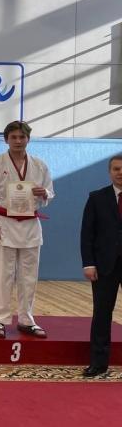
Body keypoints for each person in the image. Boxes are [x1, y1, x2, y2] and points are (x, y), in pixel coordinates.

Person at [0, 120, 54, 339]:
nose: (18, 141)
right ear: (6, 140)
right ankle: (0, 319)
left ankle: (26, 319)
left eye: (22, 137)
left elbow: (50, 192)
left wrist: (44, 193)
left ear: (28, 139)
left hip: (30, 224)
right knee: (2, 274)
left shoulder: (40, 165)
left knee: (29, 276)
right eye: (14, 137)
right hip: (4, 224)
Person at [79, 154, 122, 377]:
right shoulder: (97, 198)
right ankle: (98, 362)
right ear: (109, 172)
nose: (120, 173)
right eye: (116, 169)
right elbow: (87, 234)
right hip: (104, 265)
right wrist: (88, 263)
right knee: (102, 314)